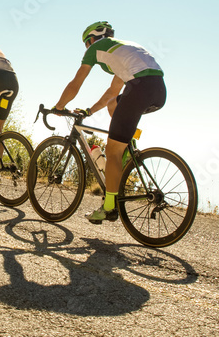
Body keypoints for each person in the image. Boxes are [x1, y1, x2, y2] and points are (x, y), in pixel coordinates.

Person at [52, 22, 166, 224]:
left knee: (112, 151)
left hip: (140, 89)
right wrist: (89, 110)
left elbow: (75, 84)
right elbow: (112, 93)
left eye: (87, 43)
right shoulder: (122, 52)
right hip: (157, 90)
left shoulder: (96, 48)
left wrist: (59, 106)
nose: (87, 48)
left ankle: (109, 207)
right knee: (114, 104)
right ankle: (127, 146)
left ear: (92, 39)